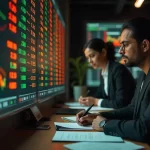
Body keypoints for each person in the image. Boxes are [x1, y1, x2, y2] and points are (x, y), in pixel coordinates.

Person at [76, 17, 150, 142]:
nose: (120, 51)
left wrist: (104, 124)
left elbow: (144, 129)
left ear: (144, 45)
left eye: (125, 45)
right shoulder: (143, 76)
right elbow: (132, 109)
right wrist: (98, 116)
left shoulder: (120, 70)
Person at [79, 38, 135, 109]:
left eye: (92, 56)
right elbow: (99, 96)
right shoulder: (104, 70)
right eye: (87, 57)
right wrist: (87, 100)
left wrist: (96, 101)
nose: (89, 61)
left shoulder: (118, 70)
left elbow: (121, 103)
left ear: (103, 52)